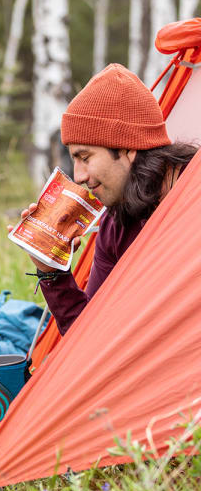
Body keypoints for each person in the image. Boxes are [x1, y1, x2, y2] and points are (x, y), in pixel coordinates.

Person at [14, 63, 198, 335]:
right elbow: (90, 341)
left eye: (85, 157)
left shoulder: (193, 193)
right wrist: (51, 272)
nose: (78, 176)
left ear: (127, 148)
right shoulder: (117, 226)